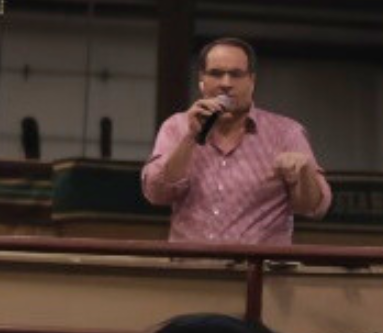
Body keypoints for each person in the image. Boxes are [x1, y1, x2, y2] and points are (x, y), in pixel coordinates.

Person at [140, 37, 331, 245]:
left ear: (252, 80)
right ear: (202, 80)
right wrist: (190, 137)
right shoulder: (176, 126)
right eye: (216, 74)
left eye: (236, 74)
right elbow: (156, 195)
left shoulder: (286, 132)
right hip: (192, 263)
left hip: (260, 265)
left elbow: (315, 208)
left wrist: (303, 174)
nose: (226, 84)